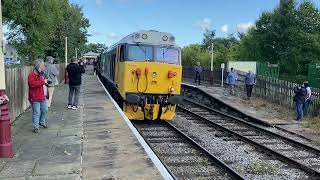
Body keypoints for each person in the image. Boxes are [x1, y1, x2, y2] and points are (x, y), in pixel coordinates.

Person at [28, 59, 49, 133]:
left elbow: (45, 80)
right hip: (35, 97)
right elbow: (32, 84)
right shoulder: (32, 75)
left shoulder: (42, 74)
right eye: (42, 65)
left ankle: (42, 122)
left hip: (43, 96)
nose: (44, 67)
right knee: (36, 112)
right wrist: (43, 82)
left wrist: (47, 81)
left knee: (45, 109)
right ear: (38, 66)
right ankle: (36, 127)